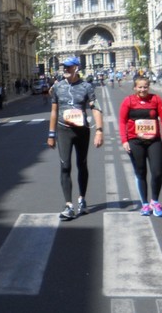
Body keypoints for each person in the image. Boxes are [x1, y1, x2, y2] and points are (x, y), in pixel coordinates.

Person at [47, 56, 104, 220]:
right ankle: (68, 205)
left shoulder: (86, 87)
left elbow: (96, 108)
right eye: (63, 67)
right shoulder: (57, 87)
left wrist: (99, 131)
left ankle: (82, 199)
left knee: (82, 164)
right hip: (63, 130)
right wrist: (51, 134)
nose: (65, 69)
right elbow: (53, 111)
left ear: (76, 68)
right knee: (65, 166)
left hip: (82, 131)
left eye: (68, 67)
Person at [119, 76, 162, 217]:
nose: (143, 89)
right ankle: (145, 205)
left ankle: (155, 201)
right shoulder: (128, 101)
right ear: (135, 88)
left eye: (145, 86)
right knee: (141, 172)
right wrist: (124, 141)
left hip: (154, 141)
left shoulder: (156, 100)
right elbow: (122, 122)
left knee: (157, 172)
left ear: (149, 86)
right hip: (135, 141)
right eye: (140, 87)